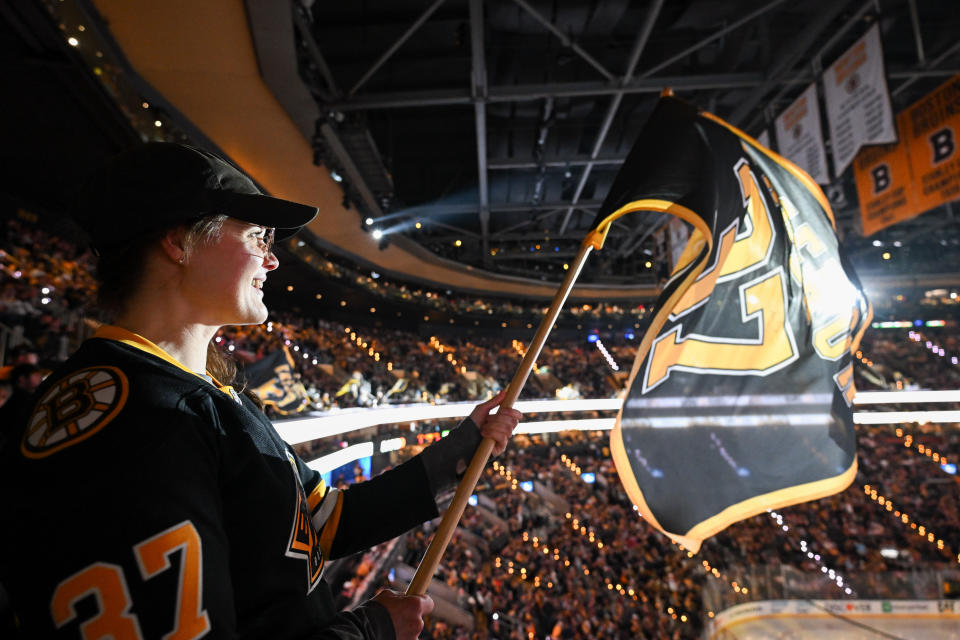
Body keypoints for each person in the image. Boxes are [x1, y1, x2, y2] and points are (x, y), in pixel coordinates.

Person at [0, 143, 522, 639]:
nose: (272, 261)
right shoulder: (140, 425)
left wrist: (463, 446)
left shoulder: (204, 395)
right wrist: (370, 630)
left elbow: (322, 522)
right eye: (258, 237)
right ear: (179, 241)